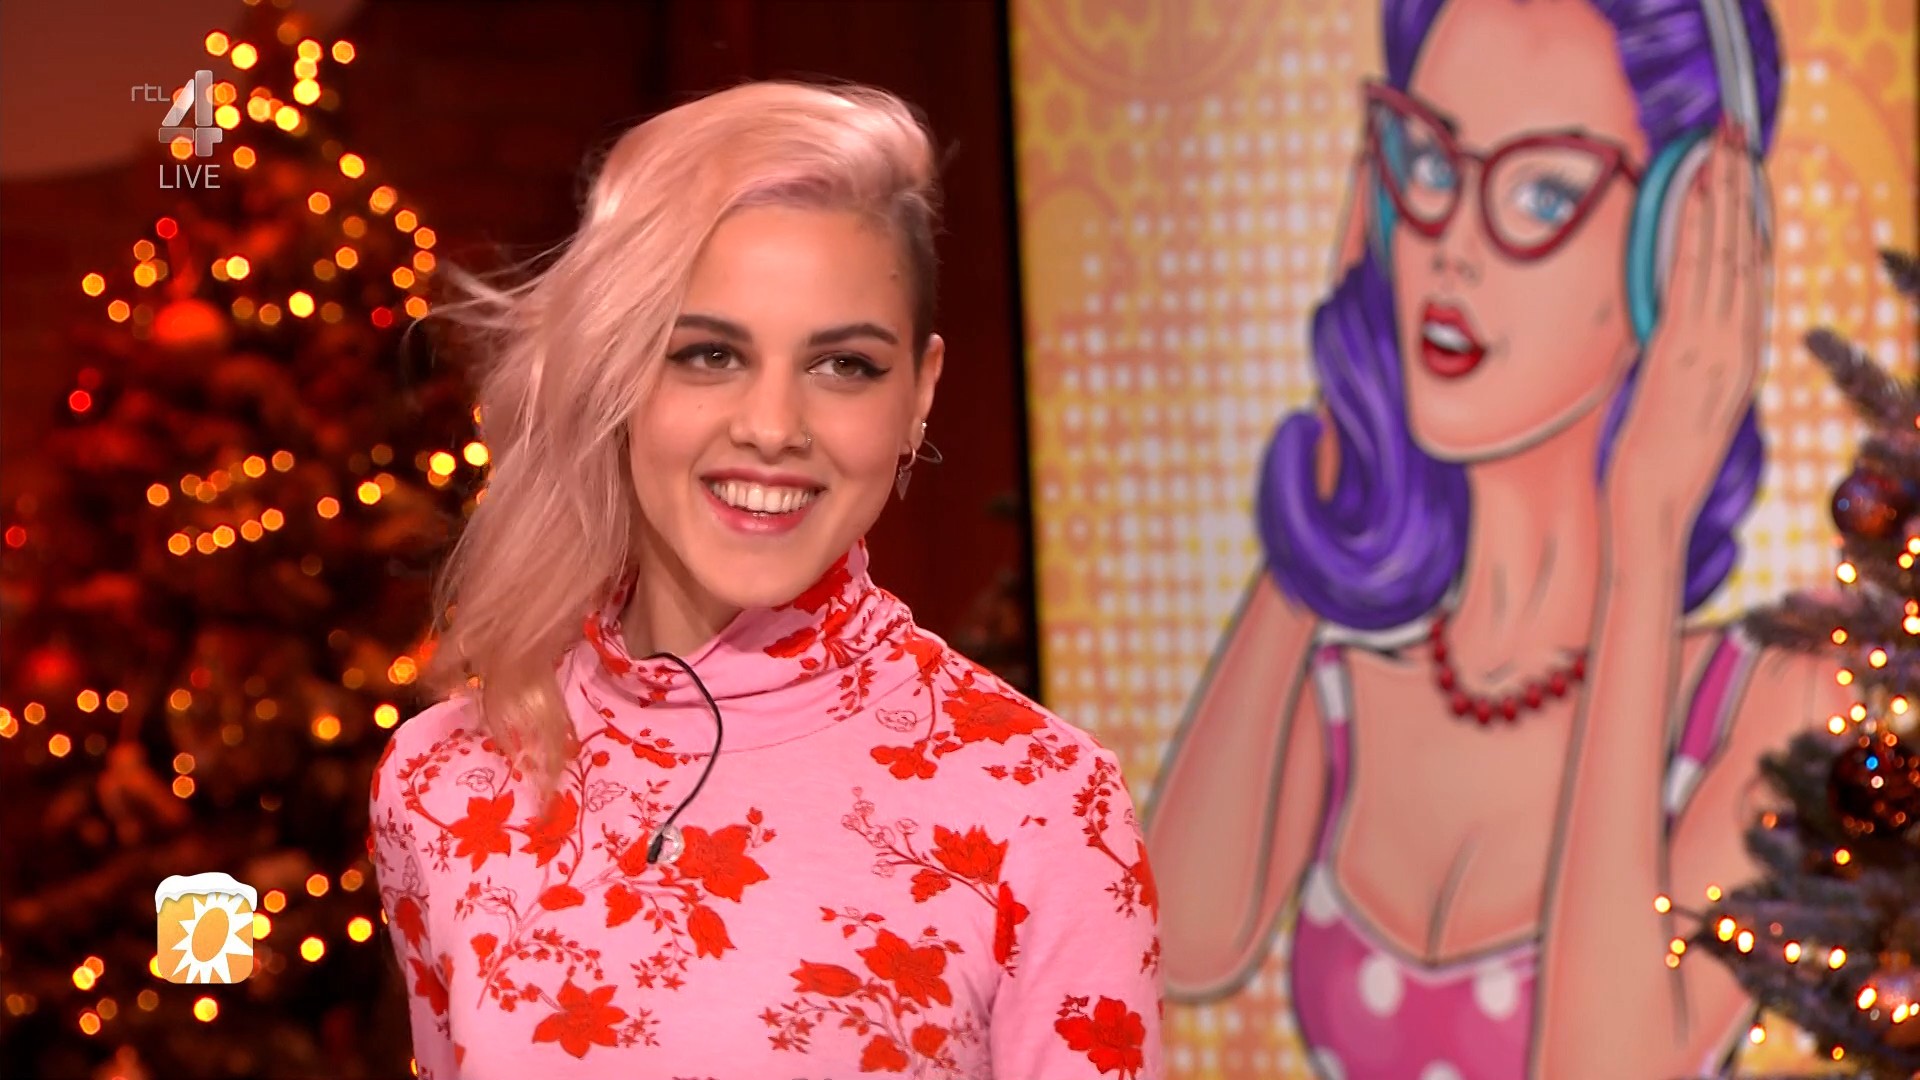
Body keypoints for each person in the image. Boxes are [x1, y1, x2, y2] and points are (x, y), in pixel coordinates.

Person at [369, 81, 1162, 1080]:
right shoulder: (442, 782)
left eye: (844, 366)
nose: (774, 427)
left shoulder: (1043, 804)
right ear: (617, 369)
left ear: (920, 392)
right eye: (709, 354)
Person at [1146, 0, 1846, 1077]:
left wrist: (1646, 541)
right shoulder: (1345, 689)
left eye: (1543, 193)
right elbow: (1175, 949)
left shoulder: (1771, 706)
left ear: (1684, 246)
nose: (1451, 249)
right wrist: (1348, 444)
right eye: (1429, 165)